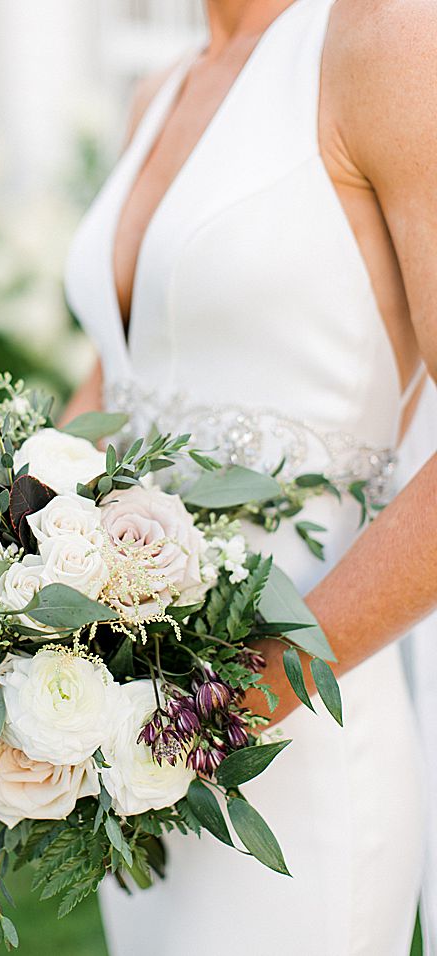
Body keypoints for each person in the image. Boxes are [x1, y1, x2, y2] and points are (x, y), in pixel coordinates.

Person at [60, 0, 437, 952]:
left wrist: (232, 703)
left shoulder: (383, 39)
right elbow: (120, 377)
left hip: (293, 740)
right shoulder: (162, 88)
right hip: (126, 735)